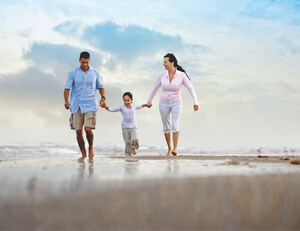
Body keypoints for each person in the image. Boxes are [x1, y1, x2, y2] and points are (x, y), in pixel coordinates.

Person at [147, 53, 199, 156]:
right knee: (166, 126)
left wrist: (195, 102)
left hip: (176, 102)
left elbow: (190, 88)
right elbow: (155, 88)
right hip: (163, 103)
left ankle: (175, 148)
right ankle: (169, 148)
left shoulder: (181, 75)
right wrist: (149, 101)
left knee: (175, 124)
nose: (163, 64)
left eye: (165, 62)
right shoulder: (162, 75)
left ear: (172, 63)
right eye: (163, 62)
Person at [64, 51, 106, 159]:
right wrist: (66, 101)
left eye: (87, 62)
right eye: (83, 62)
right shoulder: (72, 73)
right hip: (76, 104)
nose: (85, 65)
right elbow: (67, 88)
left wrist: (103, 98)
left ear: (89, 60)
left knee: (88, 129)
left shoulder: (96, 73)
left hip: (90, 104)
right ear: (79, 60)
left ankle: (91, 147)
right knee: (78, 132)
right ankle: (83, 154)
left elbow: (101, 87)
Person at [105, 92, 149, 156]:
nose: (126, 102)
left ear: (131, 100)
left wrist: (146, 105)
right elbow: (112, 110)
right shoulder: (121, 107)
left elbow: (139, 106)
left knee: (134, 139)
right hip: (125, 127)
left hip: (133, 126)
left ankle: (133, 148)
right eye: (125, 100)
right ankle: (128, 158)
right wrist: (106, 107)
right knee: (127, 143)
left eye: (128, 100)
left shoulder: (134, 106)